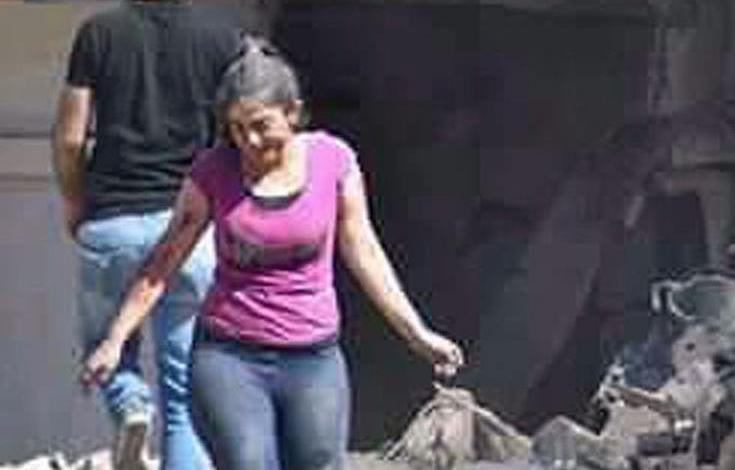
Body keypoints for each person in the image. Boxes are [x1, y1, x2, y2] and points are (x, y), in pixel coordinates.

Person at [83, 45, 462, 470]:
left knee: (319, 461)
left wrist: (418, 334)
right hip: (230, 356)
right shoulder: (214, 172)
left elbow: (364, 251)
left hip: (312, 357)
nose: (250, 141)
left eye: (261, 125)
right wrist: (116, 339)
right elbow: (164, 261)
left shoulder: (332, 162)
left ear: (293, 113)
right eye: (237, 129)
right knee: (250, 461)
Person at [53, 0, 245, 470]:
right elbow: (240, 134)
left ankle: (130, 403)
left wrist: (74, 201)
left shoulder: (98, 33)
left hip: (112, 218)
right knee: (184, 391)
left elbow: (69, 136)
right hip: (191, 229)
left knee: (105, 348)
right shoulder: (222, 37)